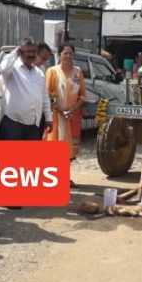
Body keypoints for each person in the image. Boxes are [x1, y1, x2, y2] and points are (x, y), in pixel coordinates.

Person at [46, 44, 86, 187]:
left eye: (70, 53)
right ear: (60, 55)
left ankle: (65, 178)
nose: (68, 56)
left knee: (70, 151)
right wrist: (60, 110)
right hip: (56, 116)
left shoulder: (78, 73)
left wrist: (72, 110)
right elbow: (47, 95)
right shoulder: (52, 72)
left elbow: (82, 96)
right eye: (65, 53)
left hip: (73, 116)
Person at [0, 37, 53, 141]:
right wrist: (15, 52)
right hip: (13, 123)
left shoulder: (39, 72)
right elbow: (2, 68)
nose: (31, 54)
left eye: (33, 51)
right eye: (27, 51)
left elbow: (44, 97)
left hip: (33, 124)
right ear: (21, 51)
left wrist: (48, 118)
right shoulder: (12, 69)